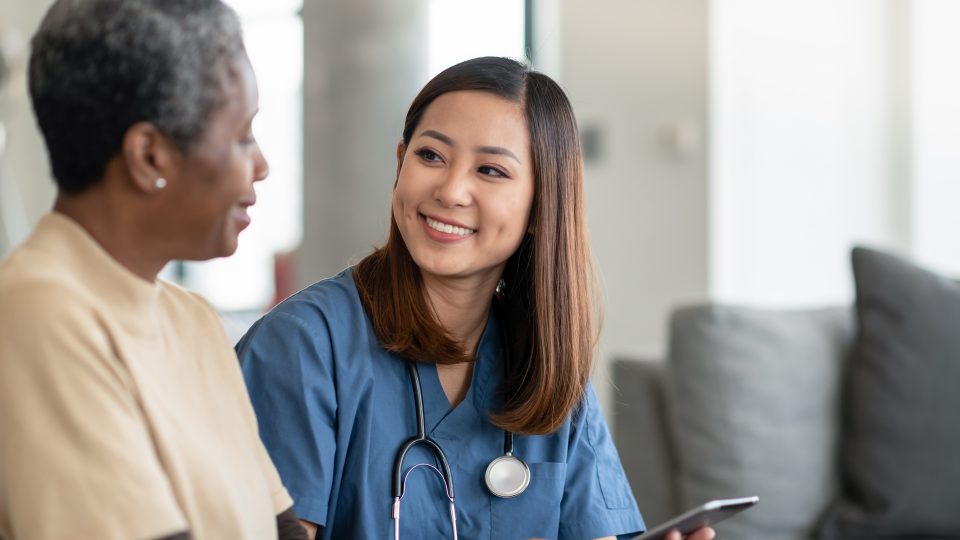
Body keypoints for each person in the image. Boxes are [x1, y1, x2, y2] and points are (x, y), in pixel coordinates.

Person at [237, 56, 715, 540]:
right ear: (400, 162)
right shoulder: (301, 347)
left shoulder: (546, 368)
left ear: (540, 205)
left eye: (489, 170)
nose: (451, 190)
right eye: (430, 156)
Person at [0, 1, 307, 538]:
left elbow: (280, 524)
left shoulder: (193, 320)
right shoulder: (35, 314)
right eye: (241, 136)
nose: (261, 165)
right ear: (149, 157)